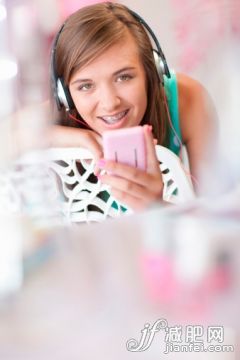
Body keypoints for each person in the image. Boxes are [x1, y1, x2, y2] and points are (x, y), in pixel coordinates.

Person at [49, 2, 218, 211]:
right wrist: (78, 138)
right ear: (65, 95)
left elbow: (218, 216)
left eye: (123, 77)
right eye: (85, 86)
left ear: (152, 73)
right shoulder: (64, 111)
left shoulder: (187, 99)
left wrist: (157, 207)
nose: (110, 103)